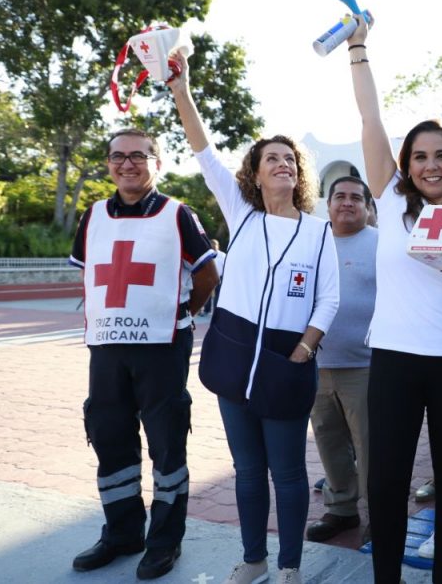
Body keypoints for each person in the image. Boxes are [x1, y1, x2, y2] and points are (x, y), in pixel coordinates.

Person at [167, 54, 340, 584]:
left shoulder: (319, 231)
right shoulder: (241, 215)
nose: (283, 164)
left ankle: (289, 566)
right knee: (247, 472)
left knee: (287, 475)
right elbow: (201, 147)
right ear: (255, 173)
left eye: (290, 159)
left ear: (299, 172)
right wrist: (182, 88)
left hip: (288, 359)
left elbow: (328, 299)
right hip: (233, 355)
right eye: (272, 159)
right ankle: (254, 561)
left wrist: (303, 349)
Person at [346, 16, 442, 584]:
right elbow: (371, 117)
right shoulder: (389, 202)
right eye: (419, 157)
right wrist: (358, 47)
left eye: (441, 155)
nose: (429, 165)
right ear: (406, 167)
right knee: (385, 479)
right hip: (395, 358)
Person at [69, 129, 219, 580]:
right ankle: (122, 534)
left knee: (167, 444)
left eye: (139, 155)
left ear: (158, 162)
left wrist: (179, 315)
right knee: (111, 438)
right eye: (118, 156)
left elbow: (207, 276)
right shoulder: (93, 216)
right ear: (109, 163)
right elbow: (90, 277)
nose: (127, 164)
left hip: (162, 348)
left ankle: (164, 541)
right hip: (108, 349)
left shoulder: (177, 215)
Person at [305, 176, 378, 544]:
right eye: (339, 196)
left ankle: (379, 515)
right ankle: (342, 510)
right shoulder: (312, 243)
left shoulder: (381, 244)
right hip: (317, 364)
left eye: (355, 197)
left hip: (366, 366)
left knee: (370, 446)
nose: (347, 203)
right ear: (328, 203)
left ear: (367, 206)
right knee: (328, 441)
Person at [200, 239, 226, 315]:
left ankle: (215, 311)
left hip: (220, 277)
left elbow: (226, 267)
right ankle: (206, 310)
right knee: (207, 294)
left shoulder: (223, 255)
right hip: (209, 277)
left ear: (218, 246)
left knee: (218, 296)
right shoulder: (207, 255)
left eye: (215, 244)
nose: (213, 246)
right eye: (212, 244)